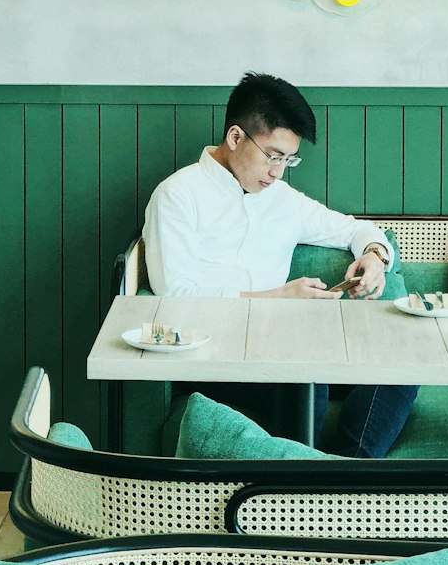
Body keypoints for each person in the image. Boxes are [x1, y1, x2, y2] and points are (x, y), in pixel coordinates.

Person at [142, 71, 417, 458]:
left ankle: (345, 477)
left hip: (279, 348)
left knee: (402, 367)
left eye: (289, 160)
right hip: (210, 356)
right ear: (236, 137)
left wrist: (373, 255)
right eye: (272, 156)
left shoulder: (283, 199)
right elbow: (174, 295)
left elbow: (356, 230)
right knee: (303, 373)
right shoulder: (177, 196)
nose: (277, 171)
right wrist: (277, 298)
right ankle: (305, 489)